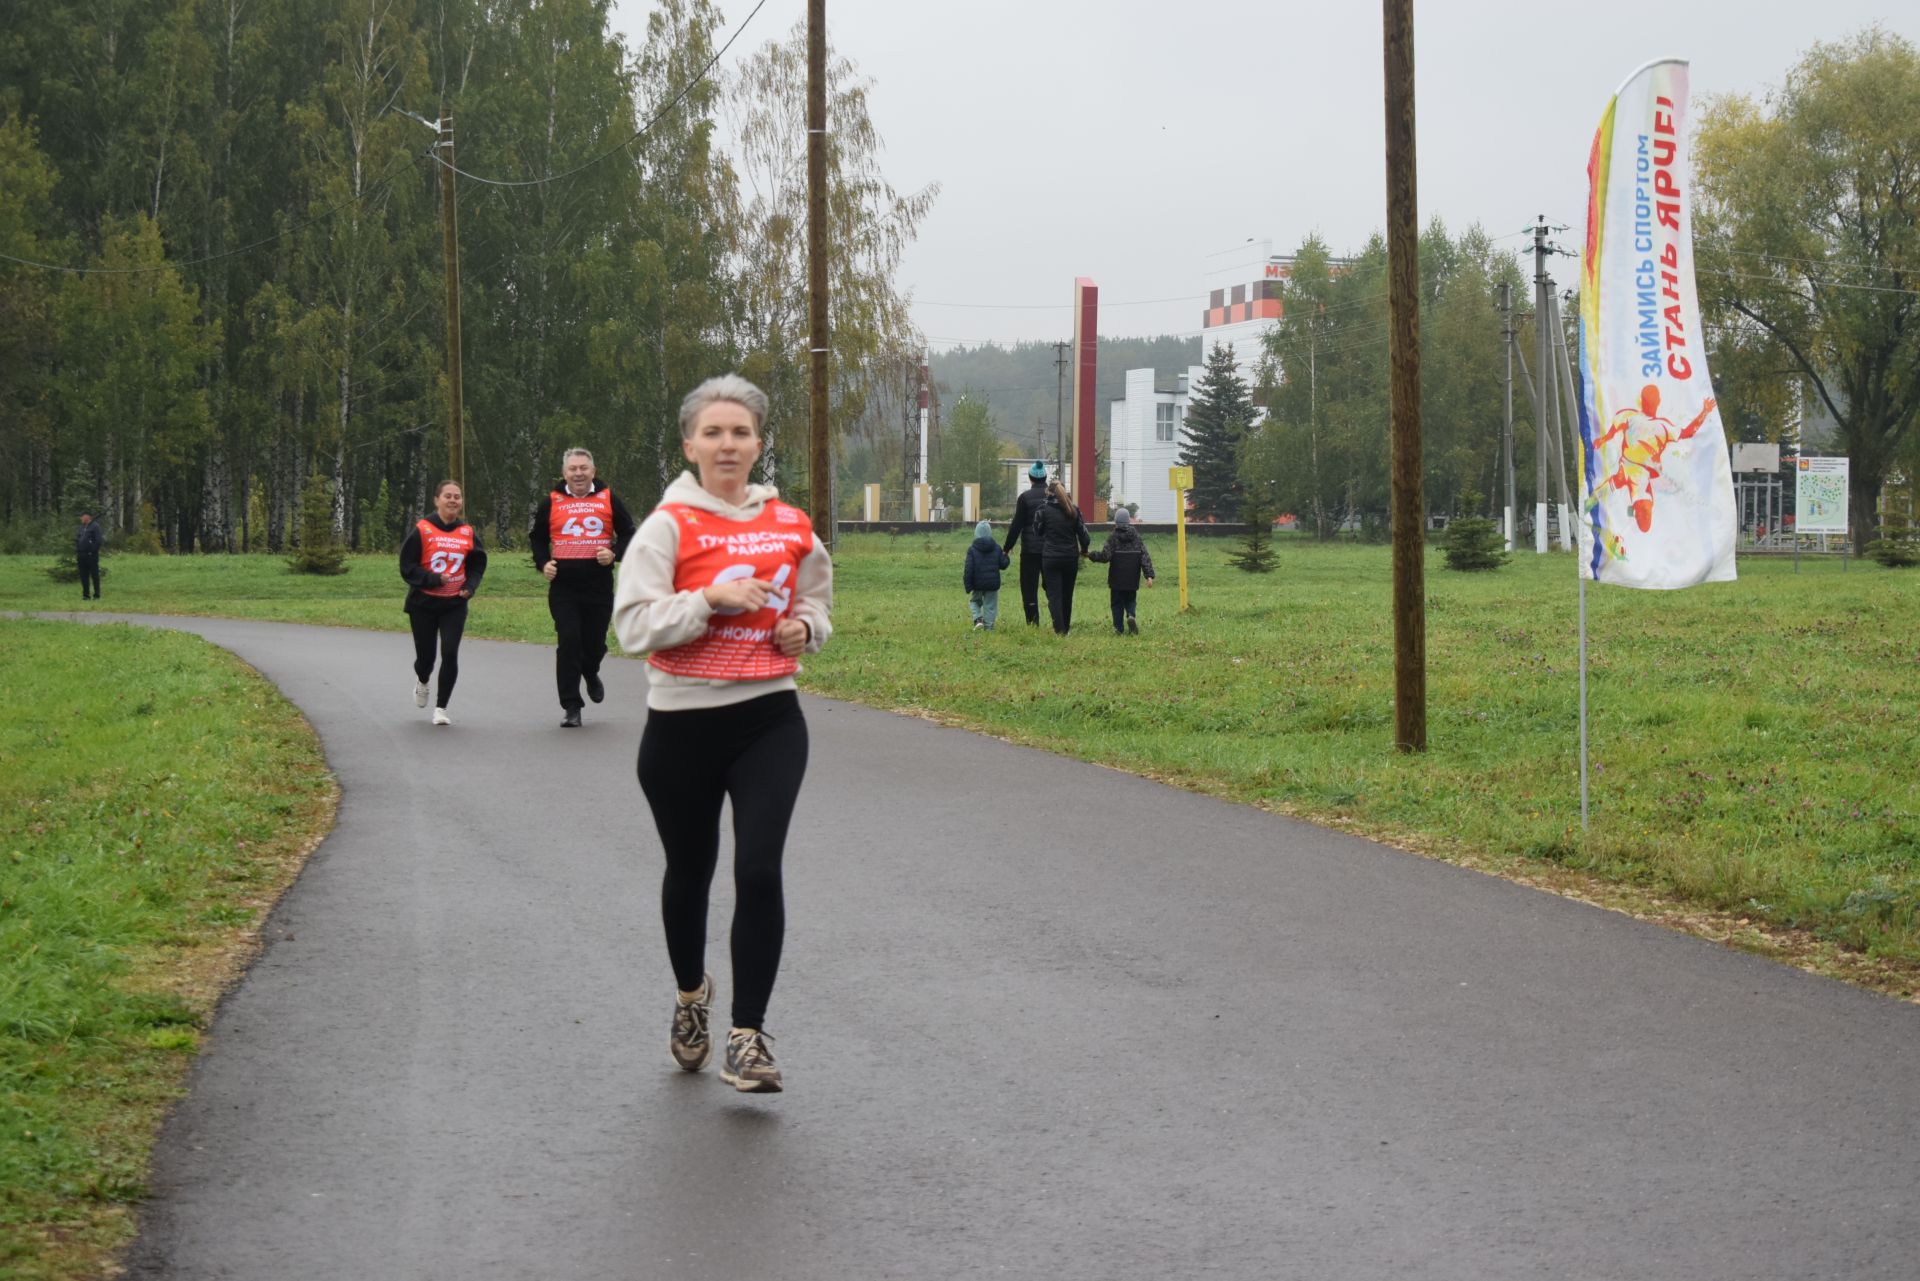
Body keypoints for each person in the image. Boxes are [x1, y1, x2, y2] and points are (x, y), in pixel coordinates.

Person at [613, 374, 833, 1095]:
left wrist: (806, 628)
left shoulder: (791, 524)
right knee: (691, 872)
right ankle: (689, 996)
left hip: (769, 716)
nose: (727, 444)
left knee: (760, 868)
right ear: (690, 445)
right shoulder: (667, 526)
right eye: (713, 432)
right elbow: (632, 627)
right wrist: (706, 598)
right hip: (680, 723)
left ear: (759, 443)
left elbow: (816, 607)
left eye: (740, 432)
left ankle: (748, 1035)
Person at [529, 448, 638, 728]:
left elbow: (629, 532)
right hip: (564, 586)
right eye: (573, 469)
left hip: (598, 586)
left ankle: (590, 671)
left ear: (593, 471)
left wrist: (614, 553)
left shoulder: (608, 498)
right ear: (564, 473)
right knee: (568, 640)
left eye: (583, 468)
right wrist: (543, 564)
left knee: (594, 644)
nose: (578, 473)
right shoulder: (551, 501)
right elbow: (538, 538)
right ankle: (571, 706)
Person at [398, 480, 487, 726]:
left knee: (449, 652)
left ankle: (441, 708)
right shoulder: (423, 529)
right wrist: (433, 579)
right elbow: (406, 566)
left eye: (457, 496)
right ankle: (423, 680)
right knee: (426, 658)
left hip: (454, 604)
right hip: (423, 604)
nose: (452, 500)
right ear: (436, 500)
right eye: (447, 496)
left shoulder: (467, 532)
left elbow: (478, 563)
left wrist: (470, 587)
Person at [1590, 383, 1718, 533]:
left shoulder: (1663, 426)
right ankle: (1600, 496)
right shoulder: (1630, 416)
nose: (1649, 402)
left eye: (1652, 399)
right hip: (1626, 464)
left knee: (1645, 525)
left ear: (1658, 401)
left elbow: (1687, 433)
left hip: (1642, 473)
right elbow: (1615, 428)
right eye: (1646, 399)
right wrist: (1603, 439)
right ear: (1642, 400)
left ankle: (1634, 508)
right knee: (1604, 491)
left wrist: (1704, 412)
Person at [1088, 506, 1156, 635]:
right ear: (1129, 521)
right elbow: (1144, 556)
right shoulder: (1136, 537)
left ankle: (1118, 628)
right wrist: (1149, 575)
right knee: (1130, 599)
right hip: (1132, 578)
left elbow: (1105, 557)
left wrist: (1090, 554)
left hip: (1117, 579)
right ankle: (1131, 615)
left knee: (1117, 603)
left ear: (1116, 522)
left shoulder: (1113, 537)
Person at [1034, 480, 1090, 635]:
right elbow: (1084, 535)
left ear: (1049, 494)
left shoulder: (1043, 509)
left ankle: (1059, 630)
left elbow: (1037, 531)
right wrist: (1084, 550)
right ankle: (1065, 627)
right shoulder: (1074, 510)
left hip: (1050, 557)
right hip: (1070, 558)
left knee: (1054, 595)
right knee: (1067, 595)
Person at [1001, 462, 1051, 625]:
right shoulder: (1053, 496)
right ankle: (1058, 620)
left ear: (1030, 478)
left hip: (1030, 551)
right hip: (1051, 550)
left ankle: (1033, 622)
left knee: (1029, 588)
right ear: (1045, 478)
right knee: (1052, 586)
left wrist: (1007, 548)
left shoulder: (1024, 498)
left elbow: (1016, 525)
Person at [962, 519, 1009, 631]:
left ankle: (978, 619)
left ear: (976, 533)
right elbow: (1003, 564)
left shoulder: (972, 549)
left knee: (974, 602)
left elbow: (968, 569)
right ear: (990, 533)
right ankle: (989, 627)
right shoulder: (997, 548)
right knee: (990, 606)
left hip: (977, 584)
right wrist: (1006, 556)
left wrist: (968, 585)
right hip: (992, 584)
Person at [74, 511, 103, 601]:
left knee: (94, 575)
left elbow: (98, 541)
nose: (81, 518)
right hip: (81, 555)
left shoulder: (95, 526)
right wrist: (77, 549)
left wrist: (92, 550)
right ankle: (86, 595)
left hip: (91, 555)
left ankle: (97, 595)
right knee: (83, 575)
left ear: (87, 517)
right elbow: (78, 539)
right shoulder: (81, 527)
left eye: (82, 517)